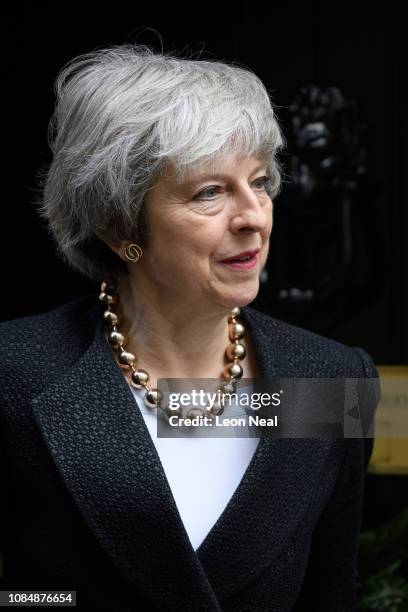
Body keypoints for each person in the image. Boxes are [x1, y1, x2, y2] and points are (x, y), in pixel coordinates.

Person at [0, 44, 380, 611]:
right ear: (118, 225)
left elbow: (329, 594)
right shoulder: (16, 371)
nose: (254, 215)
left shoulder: (330, 379)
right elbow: (17, 595)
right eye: (210, 192)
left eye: (259, 181)